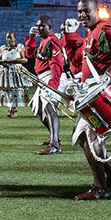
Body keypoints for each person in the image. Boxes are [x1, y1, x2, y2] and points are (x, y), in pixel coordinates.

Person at [70, 0, 111, 200]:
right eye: (79, 11)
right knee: (82, 137)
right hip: (90, 90)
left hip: (104, 92)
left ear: (96, 10)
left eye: (86, 11)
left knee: (90, 137)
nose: (82, 15)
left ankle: (100, 189)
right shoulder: (91, 33)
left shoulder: (107, 29)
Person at [25, 15, 66, 154]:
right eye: (37, 25)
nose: (38, 28)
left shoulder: (53, 40)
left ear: (49, 27)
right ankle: (54, 137)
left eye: (41, 26)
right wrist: (31, 37)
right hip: (43, 78)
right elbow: (30, 54)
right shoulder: (44, 41)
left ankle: (55, 145)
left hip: (51, 78)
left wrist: (52, 85)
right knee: (36, 107)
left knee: (49, 107)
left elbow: (57, 64)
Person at [0, 30, 28, 118]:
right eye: (7, 37)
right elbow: (0, 59)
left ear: (14, 38)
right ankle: (10, 108)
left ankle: (13, 109)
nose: (8, 39)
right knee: (7, 91)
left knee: (14, 90)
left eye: (10, 37)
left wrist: (16, 61)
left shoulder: (19, 47)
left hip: (15, 71)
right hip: (5, 72)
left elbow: (24, 59)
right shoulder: (3, 48)